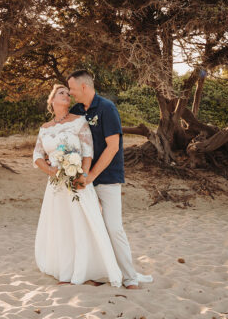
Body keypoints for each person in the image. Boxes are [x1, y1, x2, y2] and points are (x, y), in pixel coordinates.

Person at [66, 69, 153, 290]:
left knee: (113, 227)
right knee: (90, 228)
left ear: (84, 87)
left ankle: (130, 277)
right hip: (82, 180)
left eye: (73, 89)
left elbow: (113, 146)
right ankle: (99, 271)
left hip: (107, 178)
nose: (71, 93)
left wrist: (91, 175)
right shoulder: (76, 110)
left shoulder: (107, 108)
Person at [33, 84, 123, 286]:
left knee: (82, 224)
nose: (66, 95)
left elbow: (88, 151)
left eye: (68, 92)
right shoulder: (44, 128)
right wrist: (52, 171)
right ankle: (65, 269)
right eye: (61, 93)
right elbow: (37, 156)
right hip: (56, 185)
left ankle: (87, 268)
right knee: (61, 225)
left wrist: (82, 174)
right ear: (52, 100)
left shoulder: (79, 121)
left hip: (77, 181)